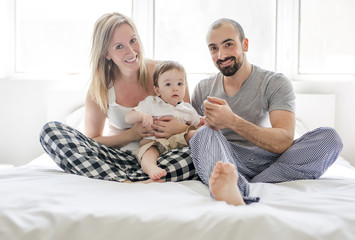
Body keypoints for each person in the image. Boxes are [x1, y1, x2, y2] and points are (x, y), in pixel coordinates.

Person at [188, 18, 343, 205]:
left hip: (269, 158)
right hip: (224, 157)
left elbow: (284, 141)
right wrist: (192, 130)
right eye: (213, 48)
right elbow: (193, 138)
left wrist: (231, 121)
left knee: (330, 138)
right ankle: (233, 186)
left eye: (228, 44)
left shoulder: (274, 83)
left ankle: (252, 183)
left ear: (245, 44)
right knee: (204, 134)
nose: (221, 55)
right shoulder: (203, 89)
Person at [39, 12, 199, 183]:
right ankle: (125, 177)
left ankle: (131, 176)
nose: (131, 51)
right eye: (119, 47)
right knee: (50, 132)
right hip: (118, 157)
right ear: (106, 54)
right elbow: (92, 140)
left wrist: (179, 129)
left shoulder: (168, 74)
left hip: (163, 155)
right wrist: (132, 135)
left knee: (196, 154)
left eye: (133, 40)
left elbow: (189, 119)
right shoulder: (99, 89)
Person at [125, 60, 203, 180]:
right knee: (148, 152)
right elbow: (128, 117)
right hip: (155, 143)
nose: (175, 89)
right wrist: (141, 116)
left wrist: (206, 121)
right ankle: (151, 168)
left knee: (195, 134)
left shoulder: (187, 109)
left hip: (178, 144)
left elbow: (198, 124)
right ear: (157, 90)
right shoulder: (152, 102)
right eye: (168, 84)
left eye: (180, 84)